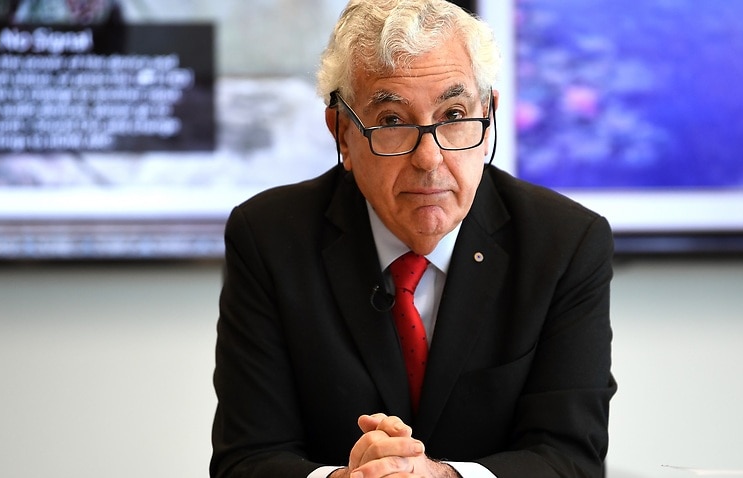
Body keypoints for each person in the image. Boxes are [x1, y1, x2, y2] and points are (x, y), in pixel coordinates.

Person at [210, 1, 617, 477]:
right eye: (391, 121)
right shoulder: (269, 238)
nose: (429, 158)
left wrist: (441, 476)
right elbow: (246, 459)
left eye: (454, 114)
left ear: (489, 119)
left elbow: (572, 458)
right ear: (342, 133)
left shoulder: (564, 243)